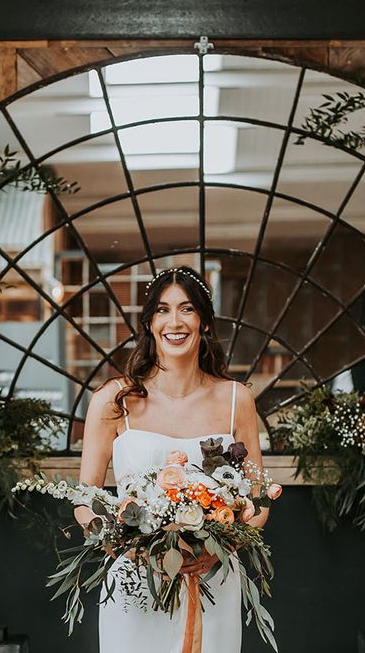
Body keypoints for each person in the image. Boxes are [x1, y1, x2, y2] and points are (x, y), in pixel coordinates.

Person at [75, 266, 268, 653]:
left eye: (187, 310)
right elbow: (85, 501)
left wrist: (220, 550)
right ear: (149, 324)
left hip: (211, 580)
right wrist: (131, 547)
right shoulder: (114, 402)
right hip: (136, 582)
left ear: (205, 324)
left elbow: (258, 501)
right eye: (163, 310)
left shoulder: (236, 400)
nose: (174, 322)